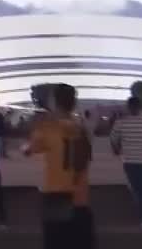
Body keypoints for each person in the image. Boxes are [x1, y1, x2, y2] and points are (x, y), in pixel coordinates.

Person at [25, 83, 94, 249]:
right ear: (73, 102)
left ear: (55, 102)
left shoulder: (48, 128)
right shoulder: (82, 128)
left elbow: (29, 149)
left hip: (56, 194)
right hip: (80, 196)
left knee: (56, 242)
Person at [109, 96, 142, 227]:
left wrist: (117, 149)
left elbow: (113, 138)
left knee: (137, 189)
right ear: (140, 107)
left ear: (128, 107)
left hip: (129, 160)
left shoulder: (121, 122)